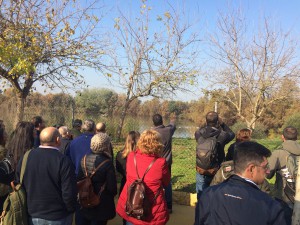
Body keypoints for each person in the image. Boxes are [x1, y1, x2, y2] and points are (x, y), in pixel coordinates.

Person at [196, 141, 287, 225]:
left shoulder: (208, 194)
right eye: (265, 167)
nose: (268, 171)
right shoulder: (270, 206)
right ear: (251, 169)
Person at [15, 127, 77, 225]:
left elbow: (18, 182)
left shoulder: (26, 157)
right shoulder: (63, 161)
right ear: (57, 140)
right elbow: (69, 192)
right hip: (58, 216)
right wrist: (71, 209)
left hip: (31, 214)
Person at [116, 129, 171, 225]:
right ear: (158, 144)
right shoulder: (160, 162)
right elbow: (166, 182)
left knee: (131, 221)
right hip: (152, 207)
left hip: (132, 203)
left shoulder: (131, 156)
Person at [77, 133, 117, 225]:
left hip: (85, 199)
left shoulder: (83, 159)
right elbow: (112, 188)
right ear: (106, 145)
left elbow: (79, 179)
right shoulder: (107, 163)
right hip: (101, 203)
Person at [194, 111, 235, 198]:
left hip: (201, 168)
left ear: (206, 121)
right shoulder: (222, 135)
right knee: (216, 195)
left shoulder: (198, 134)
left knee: (201, 194)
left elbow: (200, 130)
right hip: (217, 169)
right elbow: (232, 134)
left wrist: (205, 123)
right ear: (217, 121)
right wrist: (222, 124)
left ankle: (201, 209)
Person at [267, 127, 300, 208]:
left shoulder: (278, 153)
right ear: (297, 137)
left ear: (282, 137)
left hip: (284, 195)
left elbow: (268, 174)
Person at [152, 113, 176, 213]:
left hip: (154, 163)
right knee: (167, 183)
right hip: (166, 162)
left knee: (155, 183)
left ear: (153, 122)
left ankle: (155, 205)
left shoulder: (151, 132)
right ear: (162, 121)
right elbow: (172, 125)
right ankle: (169, 206)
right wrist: (172, 120)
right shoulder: (168, 130)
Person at [116, 131, 140, 225]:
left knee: (125, 211)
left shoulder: (120, 154)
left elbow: (118, 169)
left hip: (125, 184)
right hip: (138, 186)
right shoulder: (140, 156)